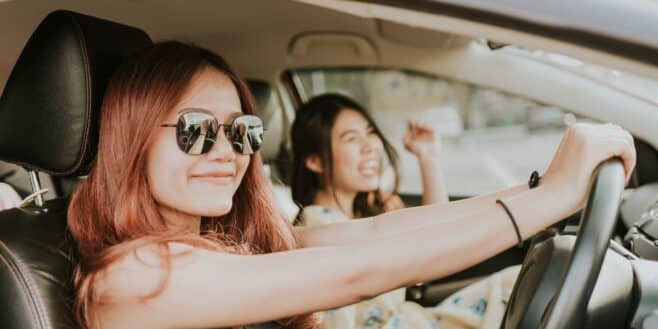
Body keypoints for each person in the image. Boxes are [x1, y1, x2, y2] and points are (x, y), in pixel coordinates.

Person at [64, 41, 635, 329]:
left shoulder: (219, 244)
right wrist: (551, 198)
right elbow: (362, 273)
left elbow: (381, 233)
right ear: (133, 139)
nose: (226, 153)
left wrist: (540, 191)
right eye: (195, 131)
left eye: (242, 131)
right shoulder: (131, 278)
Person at [289, 94, 509, 329]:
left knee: (513, 285)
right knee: (511, 288)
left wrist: (427, 156)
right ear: (315, 161)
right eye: (352, 139)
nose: (370, 146)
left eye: (370, 132)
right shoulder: (317, 227)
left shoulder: (361, 216)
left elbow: (435, 236)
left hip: (410, 321)